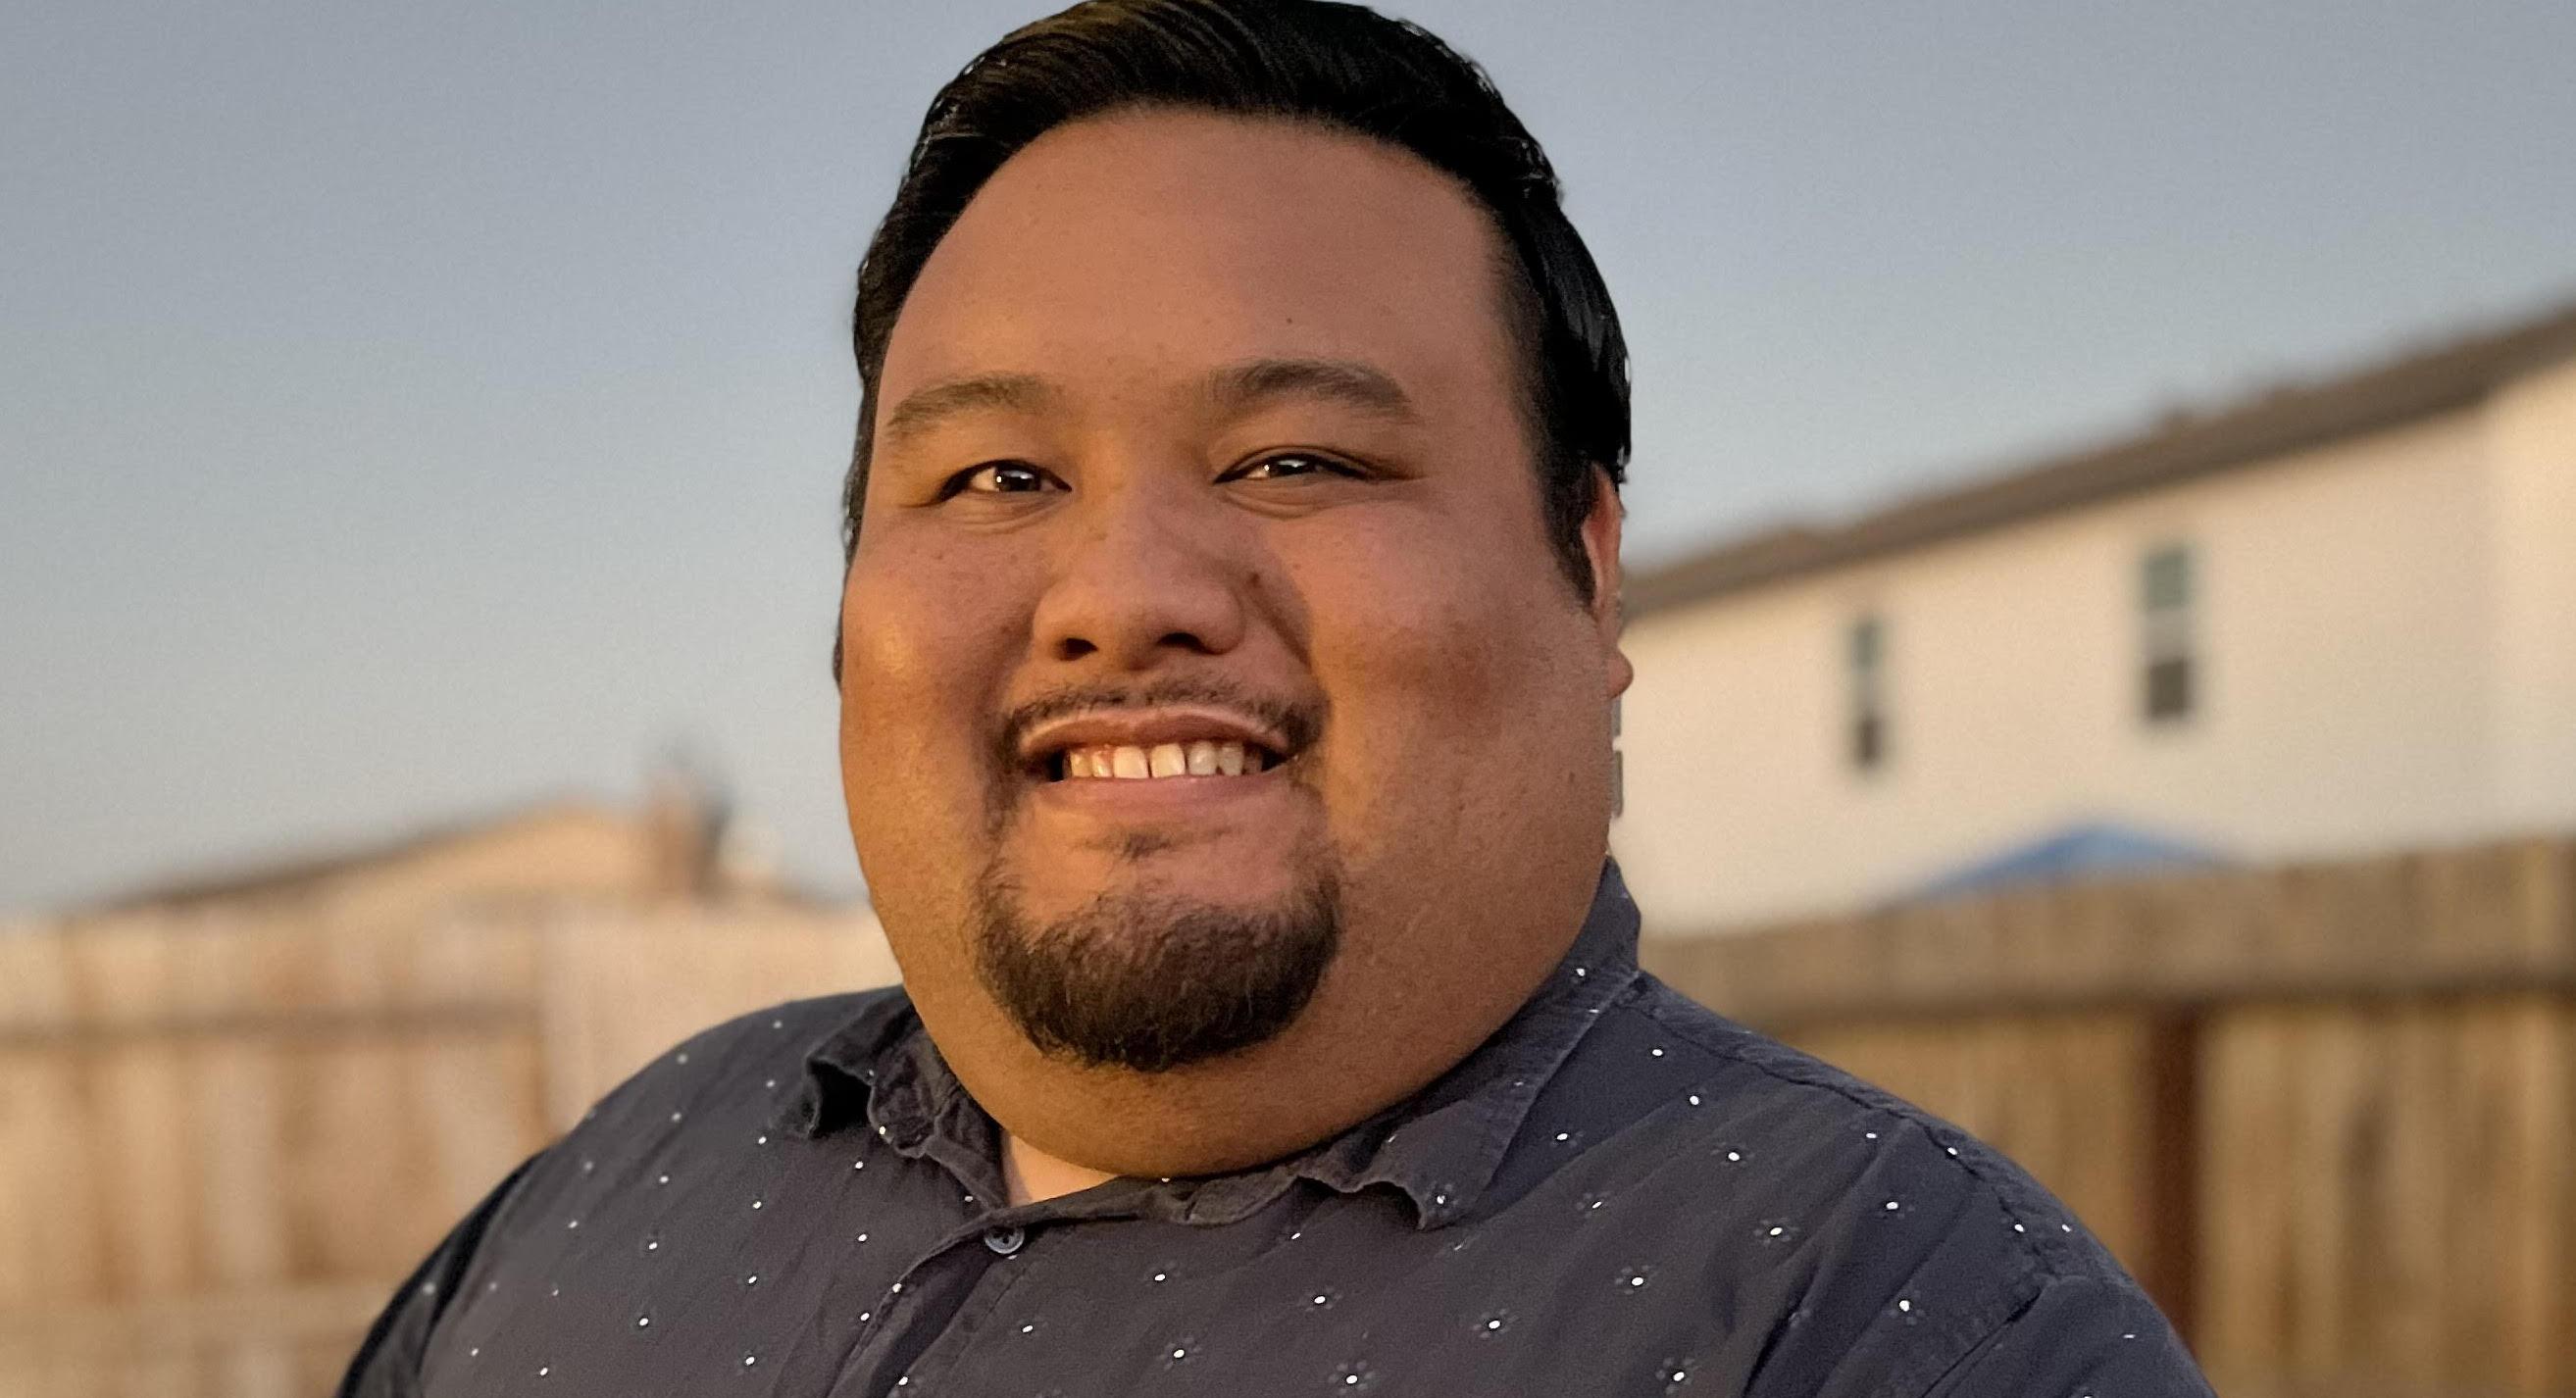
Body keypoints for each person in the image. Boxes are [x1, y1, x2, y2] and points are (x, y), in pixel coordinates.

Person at [340, 2, 2213, 1393]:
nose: (1129, 595)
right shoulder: (625, 1178)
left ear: (1591, 563)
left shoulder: (1900, 1325)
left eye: (1297, 459)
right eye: (995, 479)